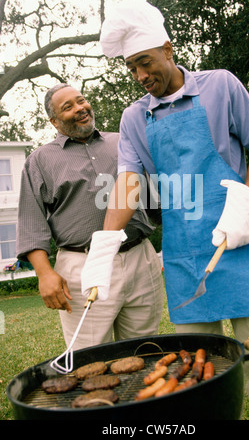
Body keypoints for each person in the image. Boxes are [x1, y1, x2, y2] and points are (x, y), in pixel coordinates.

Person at [95, 1, 249, 420]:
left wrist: (245, 201)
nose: (140, 76)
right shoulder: (134, 117)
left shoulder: (220, 85)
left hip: (235, 239)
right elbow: (129, 183)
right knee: (193, 365)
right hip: (184, 252)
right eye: (131, 68)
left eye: (145, 62)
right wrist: (105, 244)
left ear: (168, 49)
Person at [16, 83, 164, 351]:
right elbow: (31, 223)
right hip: (81, 267)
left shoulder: (124, 142)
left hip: (140, 258)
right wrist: (44, 274)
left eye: (81, 100)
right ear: (54, 121)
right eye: (68, 107)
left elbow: (155, 198)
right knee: (89, 358)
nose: (80, 108)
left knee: (145, 349)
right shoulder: (40, 161)